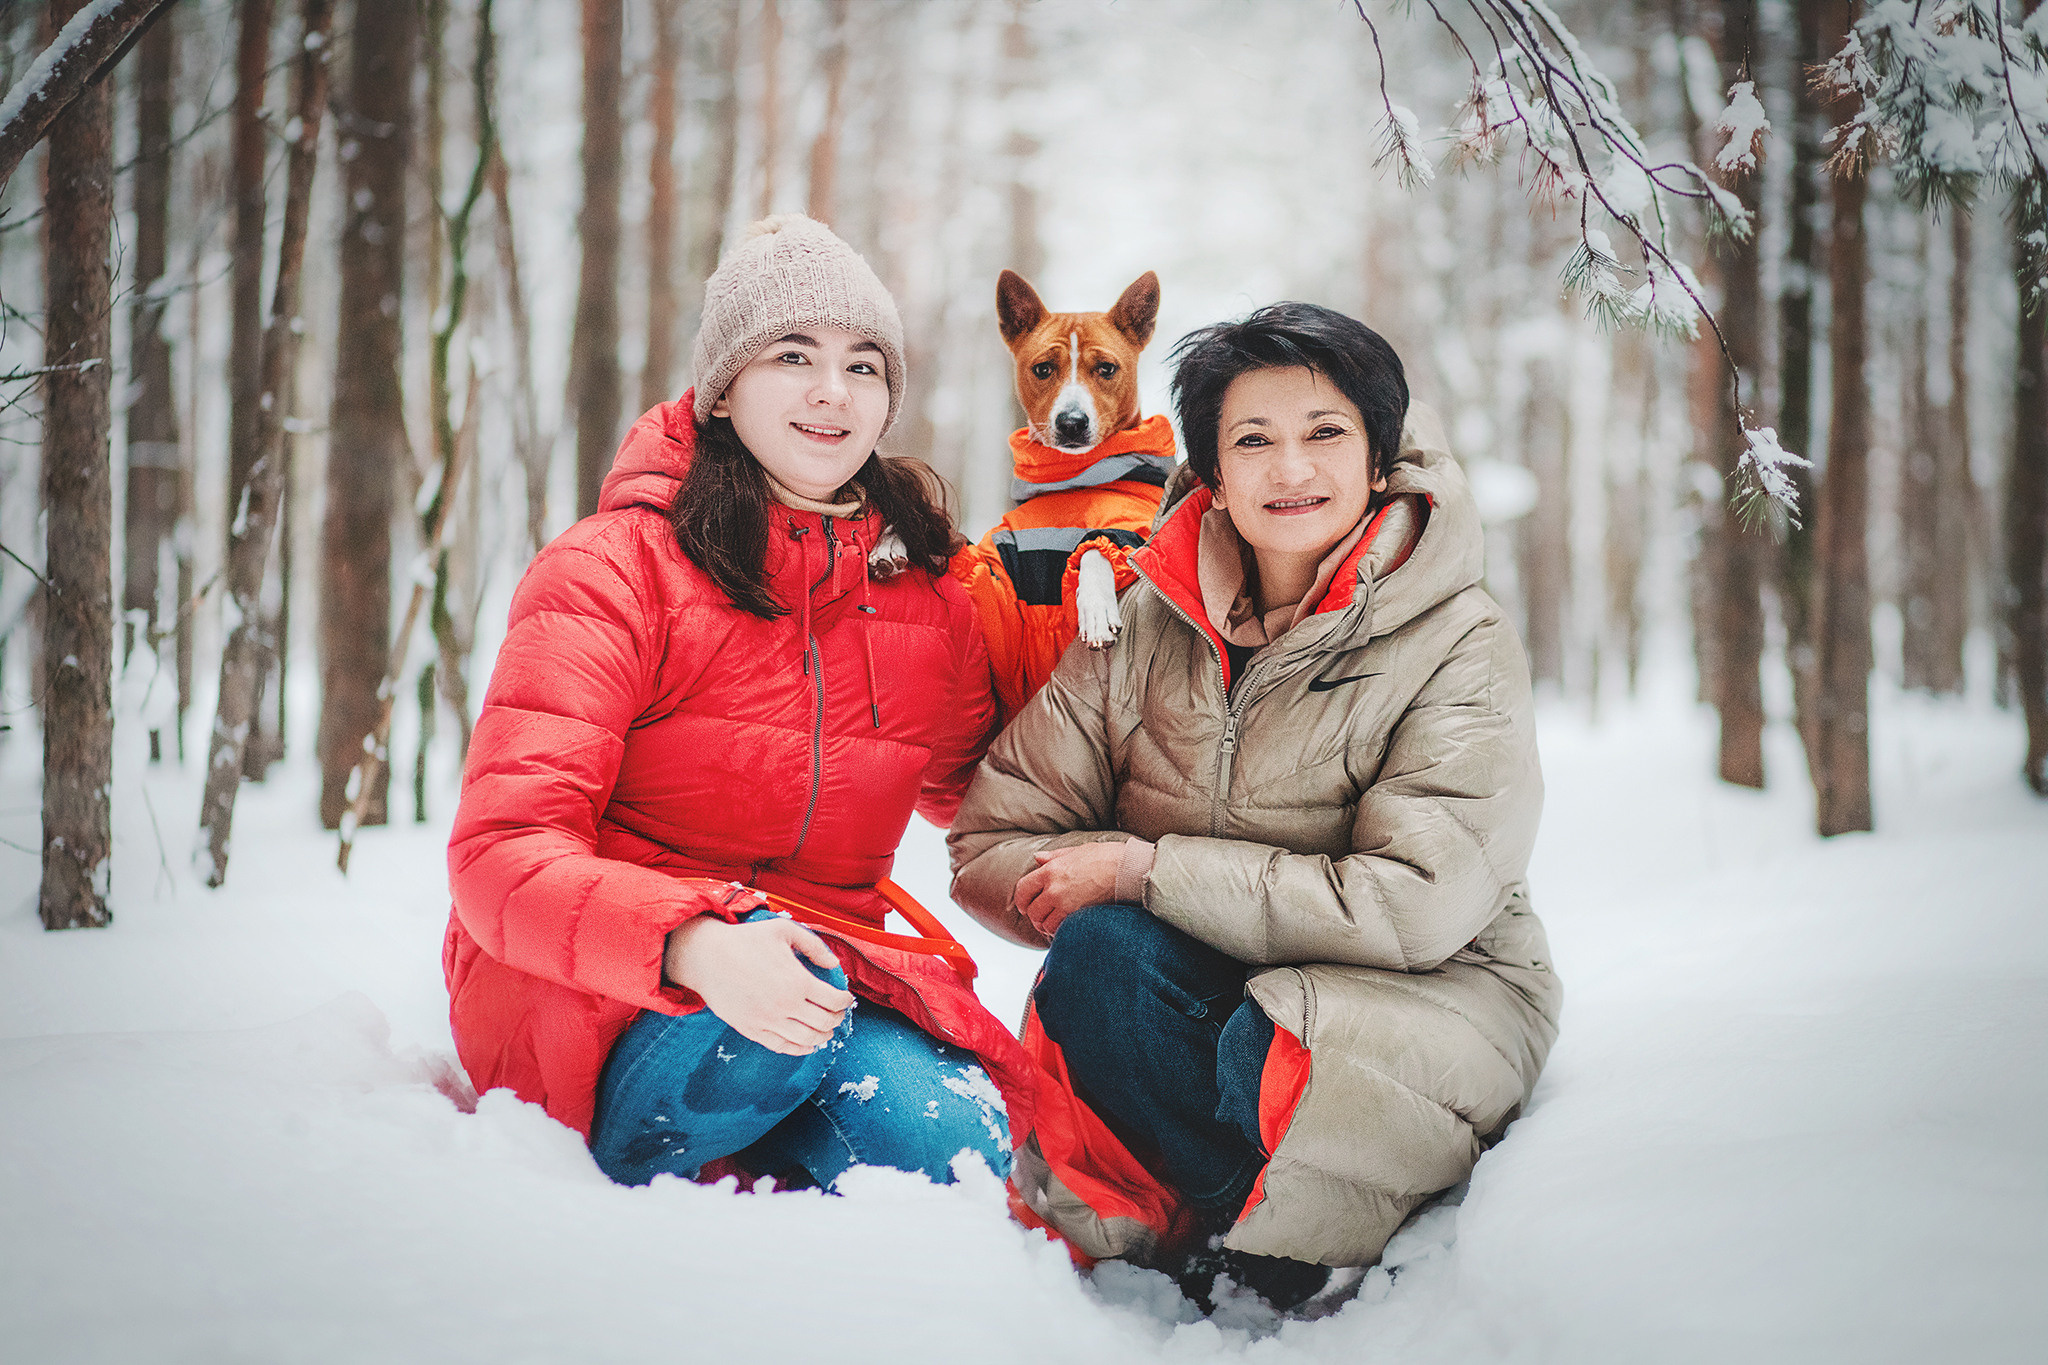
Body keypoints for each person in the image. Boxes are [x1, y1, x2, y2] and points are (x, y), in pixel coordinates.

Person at [948, 302, 1562, 1310]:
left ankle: (1282, 1248)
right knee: (1103, 956)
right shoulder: (1147, 621)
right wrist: (1117, 892)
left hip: (1429, 995)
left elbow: (1415, 905)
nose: (1290, 470)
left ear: (1376, 461)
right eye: (1252, 442)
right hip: (1213, 989)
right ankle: (1232, 1214)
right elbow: (992, 836)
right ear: (1212, 479)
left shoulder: (1456, 638)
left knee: (1260, 1040)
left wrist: (1150, 871)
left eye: (1324, 434)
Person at [445, 215, 1029, 1195]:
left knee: (965, 1161)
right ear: (721, 390)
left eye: (864, 366)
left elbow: (988, 795)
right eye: (792, 355)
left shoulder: (926, 596)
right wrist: (692, 943)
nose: (830, 392)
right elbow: (497, 859)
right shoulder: (610, 571)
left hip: (822, 981)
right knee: (782, 1028)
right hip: (596, 992)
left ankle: (786, 1178)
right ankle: (639, 1197)